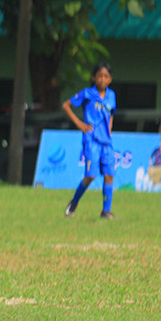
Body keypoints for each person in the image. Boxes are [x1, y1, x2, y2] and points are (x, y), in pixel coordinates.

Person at [63, 61, 117, 219]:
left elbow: (111, 113)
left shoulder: (111, 96)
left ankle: (105, 211)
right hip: (92, 140)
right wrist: (79, 124)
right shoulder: (87, 93)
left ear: (110, 79)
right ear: (94, 78)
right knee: (90, 175)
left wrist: (109, 128)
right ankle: (74, 202)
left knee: (109, 175)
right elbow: (66, 105)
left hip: (106, 141)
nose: (102, 79)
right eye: (99, 76)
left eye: (106, 76)